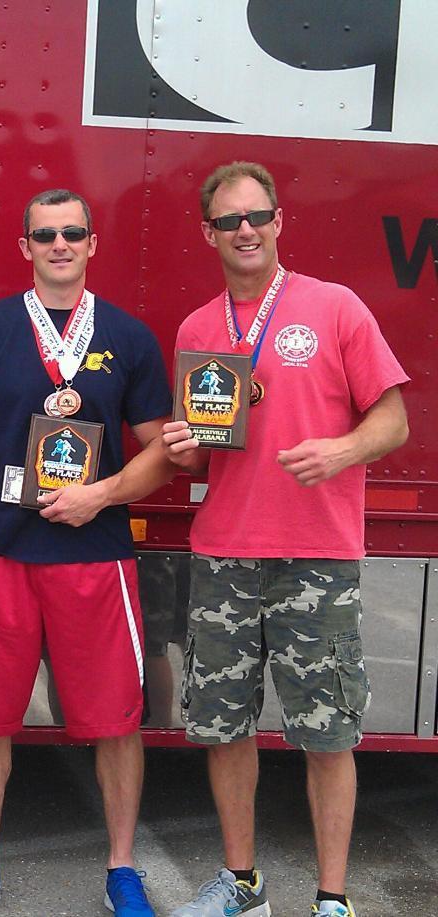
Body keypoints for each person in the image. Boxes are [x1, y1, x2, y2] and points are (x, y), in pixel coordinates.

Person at [162, 161, 409, 917]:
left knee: (328, 733)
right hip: (225, 554)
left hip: (318, 558)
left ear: (278, 222)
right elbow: (207, 451)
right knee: (224, 727)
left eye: (257, 216)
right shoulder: (200, 328)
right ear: (209, 233)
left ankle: (332, 898)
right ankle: (244, 883)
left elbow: (392, 420)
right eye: (230, 220)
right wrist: (183, 447)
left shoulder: (334, 308)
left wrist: (340, 450)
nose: (246, 229)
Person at [0, 189, 174, 917]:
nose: (60, 243)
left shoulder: (129, 336)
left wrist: (100, 495)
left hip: (95, 557)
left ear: (93, 243)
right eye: (45, 233)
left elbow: (162, 449)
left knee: (115, 720)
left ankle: (123, 866)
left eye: (73, 232)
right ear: (25, 245)